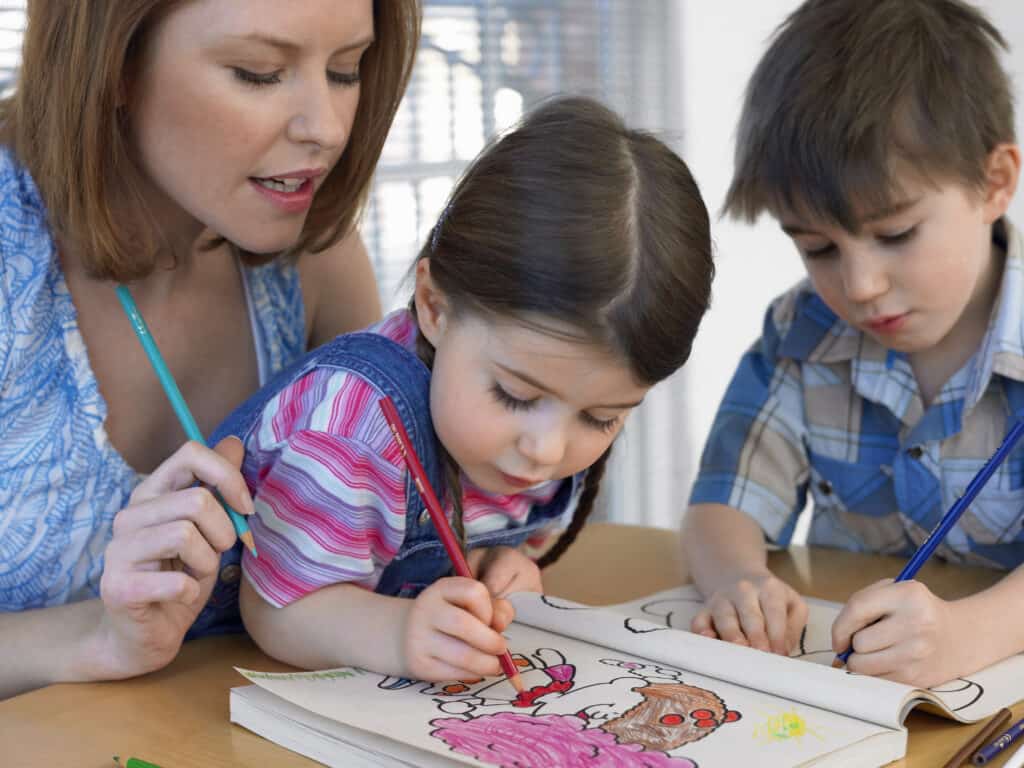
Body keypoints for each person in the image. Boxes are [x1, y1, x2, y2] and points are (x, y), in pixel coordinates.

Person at [214, 96, 715, 682]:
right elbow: (275, 610)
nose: (546, 450)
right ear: (434, 307)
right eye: (515, 396)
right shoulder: (356, 434)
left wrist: (496, 565)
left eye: (601, 418)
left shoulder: (515, 427)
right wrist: (400, 635)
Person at [0, 0, 420, 698]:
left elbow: (371, 556)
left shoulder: (316, 259)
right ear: (115, 63)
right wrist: (94, 637)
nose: (327, 128)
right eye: (259, 72)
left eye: (346, 70)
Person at [682, 0, 1021, 688]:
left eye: (895, 234)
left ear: (995, 183)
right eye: (818, 248)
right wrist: (740, 581)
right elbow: (723, 503)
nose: (861, 285)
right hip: (849, 701)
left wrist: (969, 635)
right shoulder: (801, 333)